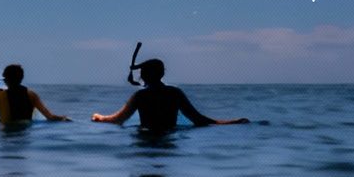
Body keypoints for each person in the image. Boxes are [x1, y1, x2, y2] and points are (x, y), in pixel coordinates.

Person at [93, 43, 248, 129]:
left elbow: (118, 120)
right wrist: (231, 122)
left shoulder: (141, 96)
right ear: (162, 74)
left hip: (145, 140)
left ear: (143, 76)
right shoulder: (174, 93)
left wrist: (99, 118)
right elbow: (199, 120)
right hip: (169, 141)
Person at [0, 60, 68, 122]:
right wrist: (63, 118)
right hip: (25, 136)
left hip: (8, 132)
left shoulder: (2, 97)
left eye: (4, 78)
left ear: (7, 79)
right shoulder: (31, 95)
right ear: (21, 78)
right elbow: (50, 117)